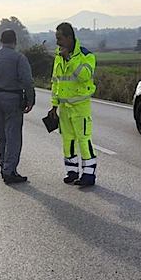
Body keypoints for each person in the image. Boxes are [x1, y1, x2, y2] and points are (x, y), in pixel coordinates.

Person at [0, 29, 35, 184]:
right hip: (12, 100)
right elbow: (27, 81)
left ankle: (3, 163)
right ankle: (9, 171)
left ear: (1, 41)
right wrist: (31, 100)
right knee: (13, 137)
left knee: (2, 135)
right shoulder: (18, 58)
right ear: (14, 41)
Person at [49, 22, 97, 187]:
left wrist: (69, 59)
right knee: (67, 141)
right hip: (64, 108)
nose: (57, 42)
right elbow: (56, 81)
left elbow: (84, 76)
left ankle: (89, 175)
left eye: (60, 38)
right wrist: (54, 106)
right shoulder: (58, 56)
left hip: (80, 107)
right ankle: (72, 172)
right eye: (56, 39)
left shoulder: (86, 56)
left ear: (69, 38)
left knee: (84, 140)